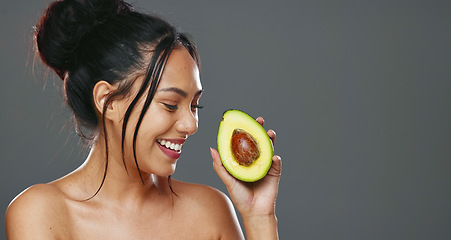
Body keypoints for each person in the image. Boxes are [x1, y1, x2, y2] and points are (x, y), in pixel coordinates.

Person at [5, 0, 282, 239]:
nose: (191, 125)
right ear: (108, 101)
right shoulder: (40, 214)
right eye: (171, 104)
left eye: (195, 105)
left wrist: (259, 218)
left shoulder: (211, 211)